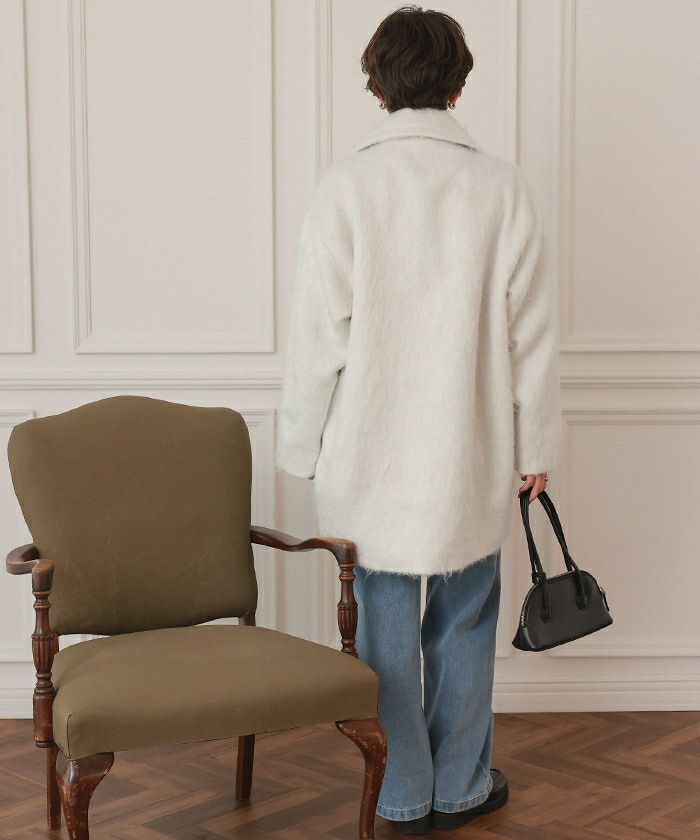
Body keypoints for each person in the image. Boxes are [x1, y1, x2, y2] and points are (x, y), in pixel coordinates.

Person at [275, 5, 562, 835]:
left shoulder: (346, 186)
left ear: (377, 86)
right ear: (459, 85)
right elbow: (532, 337)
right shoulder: (501, 187)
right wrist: (535, 445)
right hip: (471, 450)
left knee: (384, 631)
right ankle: (461, 785)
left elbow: (316, 337)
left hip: (368, 455)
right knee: (466, 618)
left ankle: (401, 792)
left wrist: (300, 446)